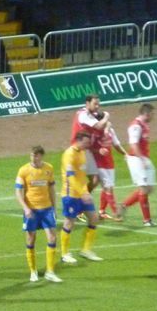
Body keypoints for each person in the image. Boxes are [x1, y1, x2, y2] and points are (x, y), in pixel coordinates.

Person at [15, 146, 61, 283]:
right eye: (31, 155)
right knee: (31, 239)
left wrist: (54, 207)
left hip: (46, 209)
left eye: (36, 156)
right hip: (32, 211)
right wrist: (25, 208)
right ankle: (33, 271)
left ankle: (50, 271)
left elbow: (52, 188)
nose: (33, 158)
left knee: (52, 238)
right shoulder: (24, 170)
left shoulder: (48, 169)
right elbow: (18, 192)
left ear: (41, 156)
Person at [60, 131, 103, 264]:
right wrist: (82, 193)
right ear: (78, 140)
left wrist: (86, 191)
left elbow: (82, 176)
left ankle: (86, 250)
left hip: (82, 193)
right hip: (70, 194)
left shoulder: (83, 153)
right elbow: (71, 177)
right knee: (69, 222)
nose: (88, 145)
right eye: (86, 142)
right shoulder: (69, 154)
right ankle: (64, 254)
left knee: (94, 218)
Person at [119, 103, 157, 227]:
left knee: (150, 188)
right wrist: (141, 159)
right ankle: (147, 220)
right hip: (137, 159)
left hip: (143, 158)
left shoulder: (144, 125)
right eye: (152, 114)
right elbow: (133, 144)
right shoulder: (136, 126)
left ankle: (124, 205)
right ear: (146, 113)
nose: (153, 116)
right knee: (144, 188)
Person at [71, 94, 110, 194]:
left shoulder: (92, 115)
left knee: (95, 180)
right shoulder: (83, 114)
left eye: (98, 104)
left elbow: (106, 124)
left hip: (86, 151)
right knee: (79, 179)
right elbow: (99, 126)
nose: (97, 106)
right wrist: (106, 117)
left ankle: (83, 199)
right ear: (87, 103)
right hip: (77, 151)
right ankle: (79, 200)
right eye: (95, 104)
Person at [94, 123, 128, 221]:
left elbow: (117, 145)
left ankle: (101, 211)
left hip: (109, 164)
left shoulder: (111, 131)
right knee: (108, 188)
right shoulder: (94, 133)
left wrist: (126, 154)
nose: (107, 123)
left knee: (108, 188)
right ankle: (116, 214)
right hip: (99, 164)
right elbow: (90, 148)